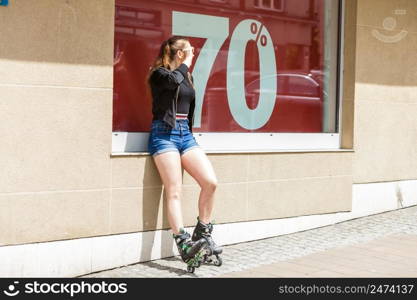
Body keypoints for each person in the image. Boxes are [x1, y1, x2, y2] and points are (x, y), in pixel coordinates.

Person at [146, 36, 222, 263]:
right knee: (174, 190)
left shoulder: (186, 75)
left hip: (185, 136)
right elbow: (171, 83)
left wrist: (185, 68)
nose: (194, 53)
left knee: (210, 182)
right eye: (190, 50)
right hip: (163, 134)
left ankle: (203, 233)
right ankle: (184, 242)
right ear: (179, 54)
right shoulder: (159, 74)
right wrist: (185, 63)